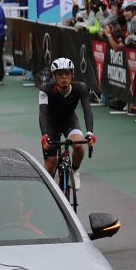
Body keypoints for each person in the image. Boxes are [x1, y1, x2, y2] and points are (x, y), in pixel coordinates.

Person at [38, 57, 95, 190]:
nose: (64, 77)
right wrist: (44, 134)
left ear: (72, 75)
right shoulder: (45, 89)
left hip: (69, 121)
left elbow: (87, 110)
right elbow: (43, 114)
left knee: (79, 146)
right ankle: (49, 192)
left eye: (67, 74)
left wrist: (90, 132)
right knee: (51, 164)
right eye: (60, 74)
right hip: (51, 124)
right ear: (54, 76)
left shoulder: (80, 88)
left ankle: (74, 170)